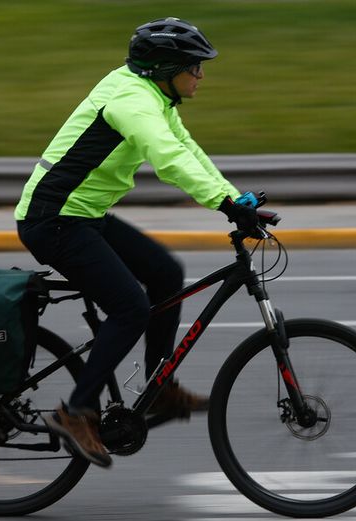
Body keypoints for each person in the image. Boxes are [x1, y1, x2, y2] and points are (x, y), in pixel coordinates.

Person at [14, 17, 259, 468]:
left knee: (167, 272)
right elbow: (167, 157)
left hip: (83, 215)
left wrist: (236, 199)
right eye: (194, 66)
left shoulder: (155, 96)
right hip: (53, 221)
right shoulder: (132, 101)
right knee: (130, 308)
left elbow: (187, 150)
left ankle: (158, 387)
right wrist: (223, 204)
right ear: (166, 69)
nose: (201, 75)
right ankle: (77, 411)